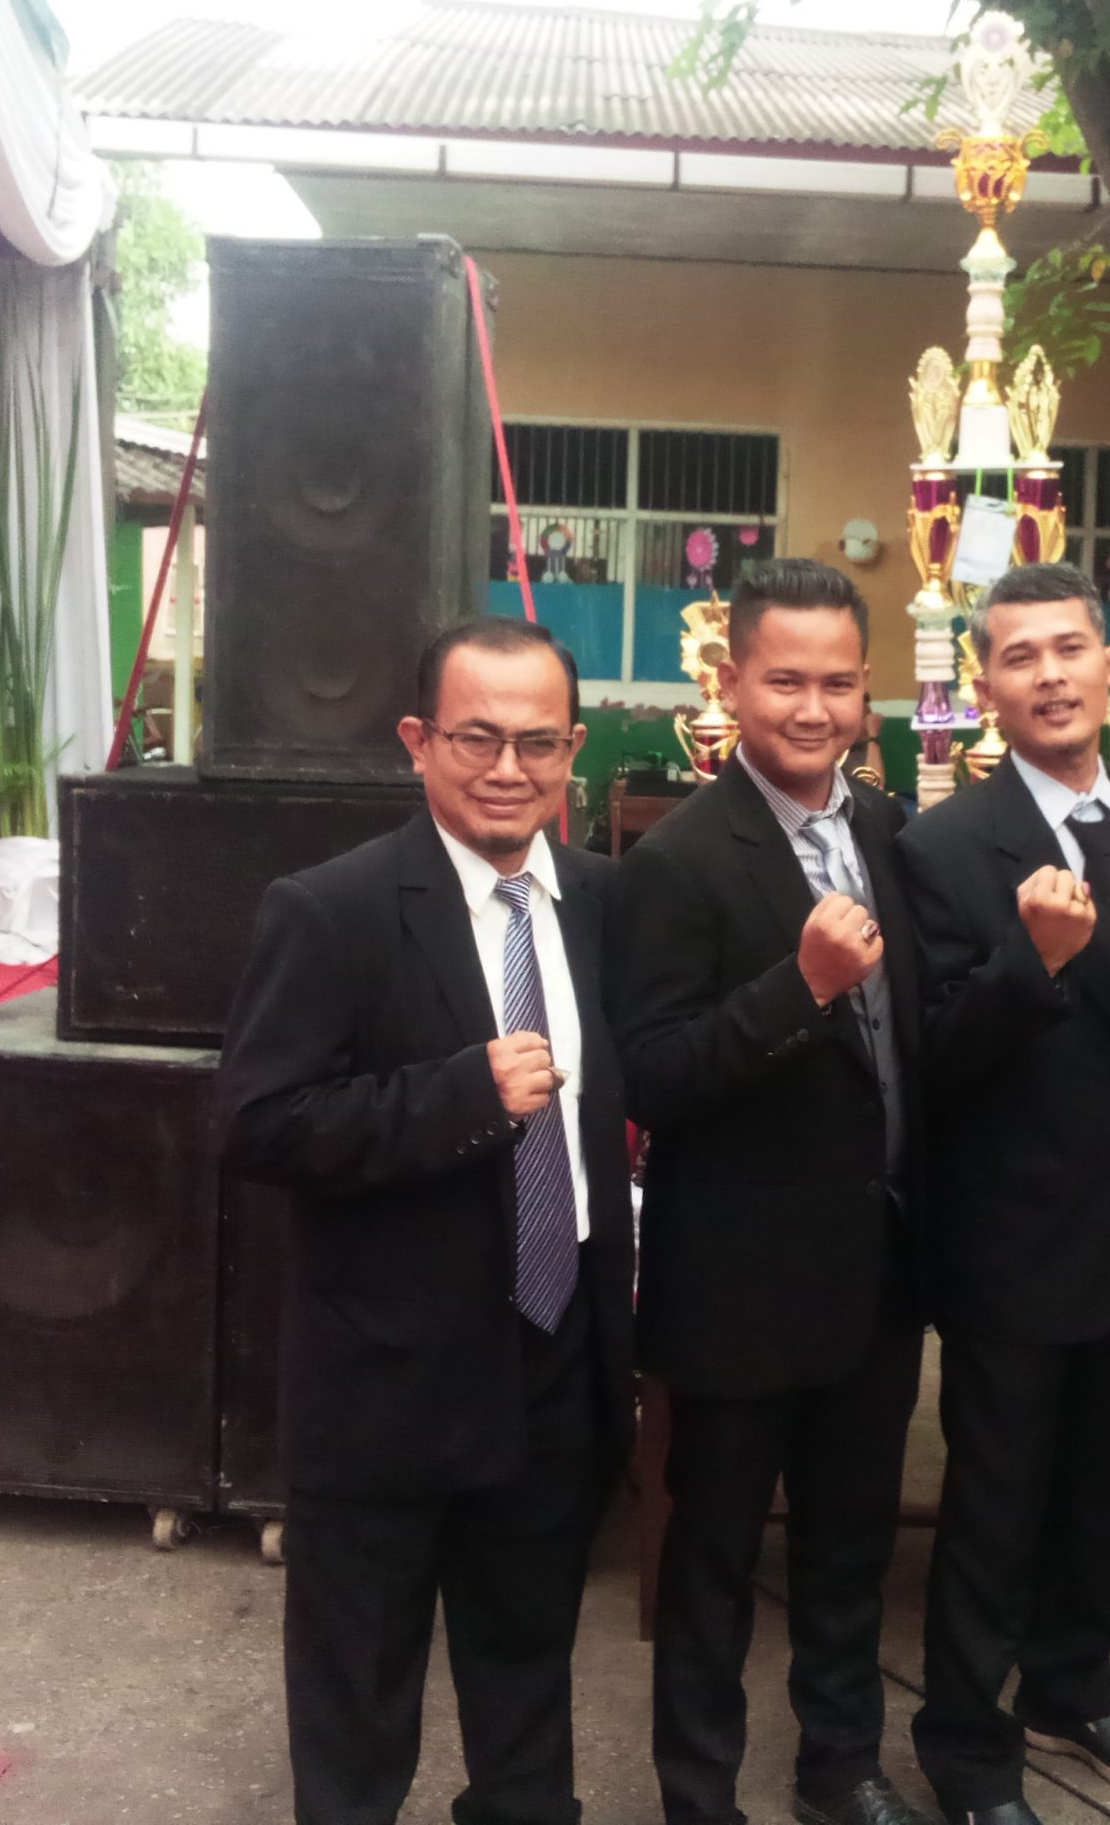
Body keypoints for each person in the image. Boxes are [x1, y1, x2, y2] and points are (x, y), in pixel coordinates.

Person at [217, 617, 634, 1825]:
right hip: (386, 1374)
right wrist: (458, 1098)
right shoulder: (330, 909)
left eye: (537, 743)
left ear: (573, 751)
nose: (508, 769)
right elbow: (258, 1125)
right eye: (476, 739)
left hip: (553, 1349)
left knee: (529, 1658)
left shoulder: (601, 902)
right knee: (358, 1682)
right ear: (417, 741)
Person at [612, 556, 931, 1825]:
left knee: (853, 1548)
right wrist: (795, 988)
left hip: (875, 1267)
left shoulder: (889, 833)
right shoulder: (679, 859)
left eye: (838, 683)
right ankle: (698, 1794)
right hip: (738, 1285)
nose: (813, 708)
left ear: (869, 690)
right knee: (713, 1558)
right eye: (785, 681)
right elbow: (652, 1076)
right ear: (731, 682)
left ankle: (840, 1769)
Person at [896, 561, 1110, 1825]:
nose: (1050, 676)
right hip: (1008, 1234)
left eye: (1069, 649)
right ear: (985, 687)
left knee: (1100, 1481)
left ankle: (1071, 1686)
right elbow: (933, 1055)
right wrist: (1032, 962)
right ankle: (967, 1750)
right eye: (1018, 657)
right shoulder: (941, 845)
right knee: (998, 1499)